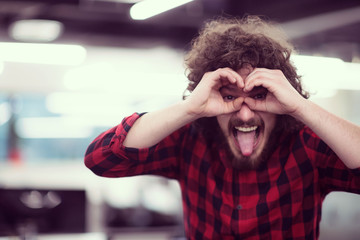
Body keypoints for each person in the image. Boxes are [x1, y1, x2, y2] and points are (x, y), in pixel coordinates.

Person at [84, 15, 360, 239]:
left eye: (259, 96)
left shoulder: (307, 144)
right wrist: (189, 108)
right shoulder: (188, 141)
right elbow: (100, 160)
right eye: (229, 96)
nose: (244, 113)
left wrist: (300, 106)